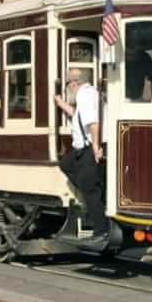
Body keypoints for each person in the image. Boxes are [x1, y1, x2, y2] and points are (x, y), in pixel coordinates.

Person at [55, 68, 109, 245]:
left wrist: (95, 147)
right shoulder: (92, 93)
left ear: (74, 83)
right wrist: (61, 103)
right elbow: (78, 115)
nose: (68, 88)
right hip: (83, 150)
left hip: (89, 149)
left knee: (90, 190)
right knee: (65, 164)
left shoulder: (84, 96)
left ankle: (101, 231)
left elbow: (93, 122)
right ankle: (93, 190)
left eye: (69, 85)